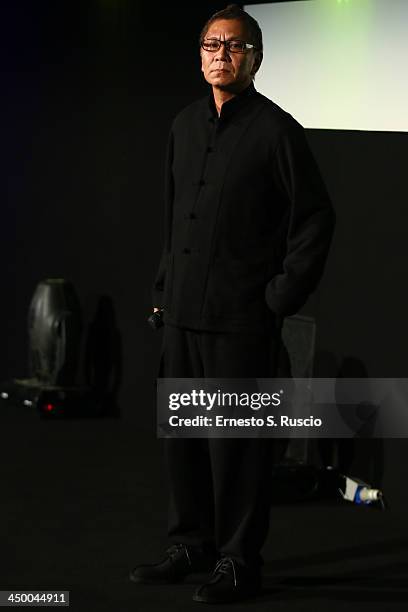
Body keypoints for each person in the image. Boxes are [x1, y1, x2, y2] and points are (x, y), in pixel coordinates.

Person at [130, 4, 335, 604]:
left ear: (256, 59)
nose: (222, 53)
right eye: (212, 44)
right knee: (185, 441)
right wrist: (162, 292)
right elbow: (174, 220)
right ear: (199, 56)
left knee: (237, 450)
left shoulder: (277, 131)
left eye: (236, 46)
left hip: (241, 320)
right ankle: (190, 544)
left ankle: (239, 561)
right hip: (182, 316)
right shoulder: (184, 125)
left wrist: (279, 296)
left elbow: (316, 218)